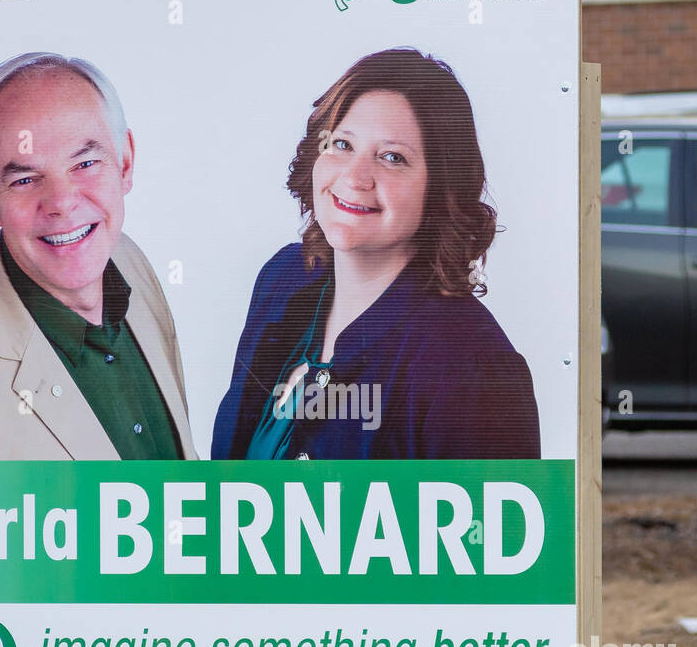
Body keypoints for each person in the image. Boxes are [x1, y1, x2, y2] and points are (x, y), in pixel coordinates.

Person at [211, 48, 539, 460]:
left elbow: (495, 524)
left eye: (392, 157)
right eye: (342, 144)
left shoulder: (473, 366)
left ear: (439, 187)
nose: (355, 177)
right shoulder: (283, 279)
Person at [0, 52, 195, 461]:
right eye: (26, 179)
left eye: (85, 163)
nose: (62, 203)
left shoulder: (125, 258)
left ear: (125, 162)